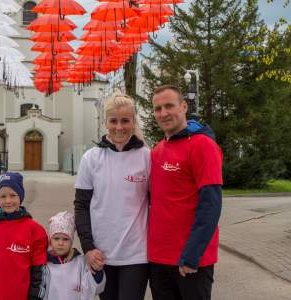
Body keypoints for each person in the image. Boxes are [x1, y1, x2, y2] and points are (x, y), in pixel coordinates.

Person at [148, 85, 223, 300]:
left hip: (190, 261)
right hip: (159, 258)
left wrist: (192, 255)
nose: (163, 113)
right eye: (158, 108)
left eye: (169, 106)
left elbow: (211, 205)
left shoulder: (203, 146)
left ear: (183, 106)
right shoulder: (158, 150)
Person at [74, 93, 151, 300]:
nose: (119, 127)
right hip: (101, 256)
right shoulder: (91, 158)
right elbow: (81, 207)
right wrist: (88, 248)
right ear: (106, 122)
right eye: (114, 121)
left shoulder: (146, 157)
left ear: (133, 122)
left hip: (136, 256)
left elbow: (157, 204)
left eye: (125, 120)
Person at [0, 172, 48, 300]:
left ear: (20, 197)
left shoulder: (35, 230)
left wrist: (35, 296)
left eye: (13, 195)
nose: (8, 201)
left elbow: (39, 271)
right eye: (3, 196)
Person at [45, 211, 106, 300]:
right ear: (50, 240)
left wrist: (97, 269)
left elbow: (94, 287)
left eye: (65, 239)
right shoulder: (44, 264)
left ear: (71, 241)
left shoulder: (80, 262)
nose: (60, 243)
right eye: (56, 238)